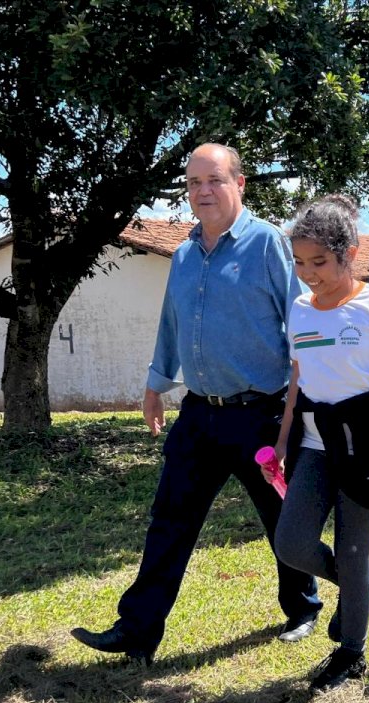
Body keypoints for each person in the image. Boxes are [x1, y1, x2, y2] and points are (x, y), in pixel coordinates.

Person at [71, 144, 322, 665]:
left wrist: (304, 403)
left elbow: (303, 323)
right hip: (199, 414)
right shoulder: (184, 255)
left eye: (214, 180)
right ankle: (137, 631)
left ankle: (303, 607)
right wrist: (154, 384)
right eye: (193, 183)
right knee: (170, 518)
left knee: (281, 517)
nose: (203, 191)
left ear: (240, 184)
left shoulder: (268, 244)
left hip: (262, 413)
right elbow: (172, 323)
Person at [266, 195, 369, 693]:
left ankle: (352, 651)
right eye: (300, 263)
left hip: (368, 445)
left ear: (349, 253)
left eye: (320, 262)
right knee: (291, 543)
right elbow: (298, 377)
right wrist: (284, 437)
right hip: (315, 444)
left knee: (354, 550)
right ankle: (363, 589)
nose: (309, 273)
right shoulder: (300, 309)